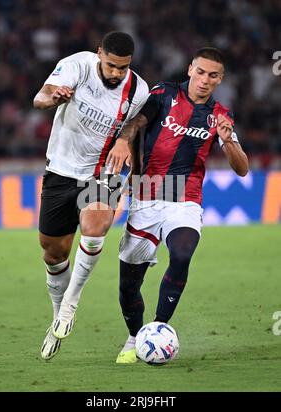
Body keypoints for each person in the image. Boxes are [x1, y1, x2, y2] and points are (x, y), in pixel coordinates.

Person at [115, 47, 249, 363]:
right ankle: (135, 336)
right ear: (190, 69)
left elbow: (242, 168)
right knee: (128, 286)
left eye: (212, 75)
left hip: (184, 198)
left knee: (182, 253)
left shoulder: (220, 115)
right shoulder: (163, 94)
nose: (205, 80)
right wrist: (123, 141)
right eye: (200, 72)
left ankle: (159, 328)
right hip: (145, 196)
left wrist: (227, 140)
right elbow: (136, 123)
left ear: (220, 79)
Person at [33, 31, 149, 360]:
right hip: (60, 170)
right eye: (111, 65)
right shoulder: (77, 66)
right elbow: (38, 98)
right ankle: (58, 313)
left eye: (123, 68)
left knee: (96, 228)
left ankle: (70, 304)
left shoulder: (137, 89)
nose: (116, 73)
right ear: (99, 53)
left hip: (102, 172)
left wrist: (126, 138)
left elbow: (138, 120)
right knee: (53, 253)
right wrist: (53, 98)